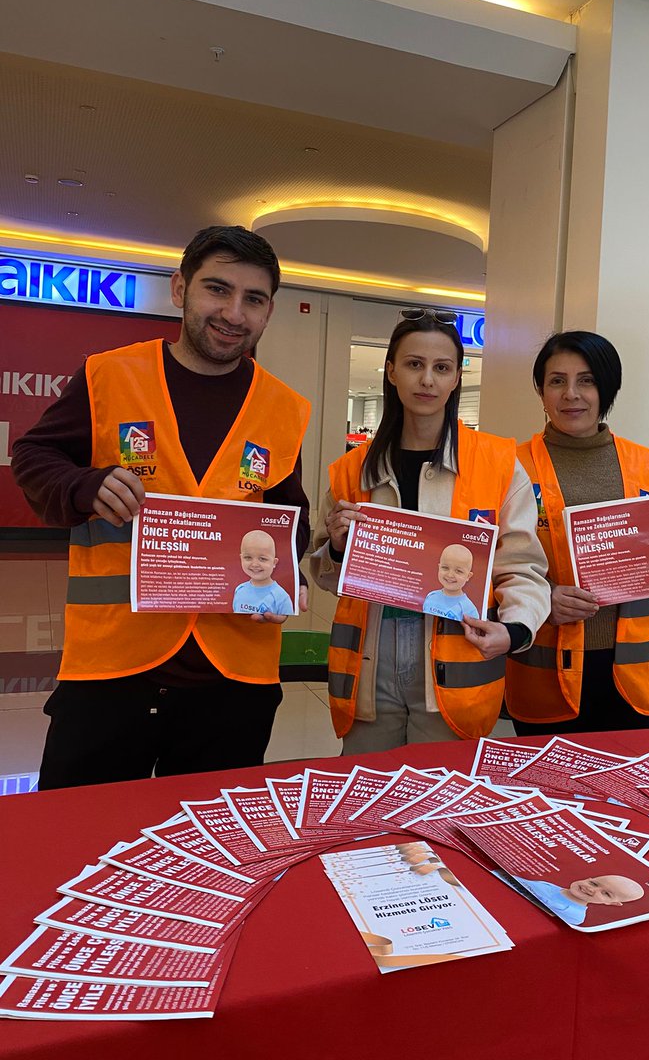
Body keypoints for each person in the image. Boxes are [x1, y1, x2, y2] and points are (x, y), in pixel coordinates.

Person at [11, 225, 311, 789]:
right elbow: (33, 454)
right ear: (180, 290)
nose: (233, 313)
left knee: (214, 847)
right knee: (79, 835)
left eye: (254, 299)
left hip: (234, 671)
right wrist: (84, 485)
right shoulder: (109, 376)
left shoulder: (284, 408)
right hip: (112, 664)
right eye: (217, 290)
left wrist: (287, 587)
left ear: (269, 312)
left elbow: (289, 516)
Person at [311, 308, 550, 753]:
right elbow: (322, 574)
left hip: (455, 665)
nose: (427, 380)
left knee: (443, 807)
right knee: (370, 800)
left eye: (441, 368)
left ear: (457, 378)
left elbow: (522, 566)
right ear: (391, 372)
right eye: (414, 364)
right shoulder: (352, 469)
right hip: (370, 665)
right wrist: (339, 549)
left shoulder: (496, 464)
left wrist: (515, 630)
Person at [505, 331, 649, 735]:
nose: (572, 394)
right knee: (549, 793)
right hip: (546, 671)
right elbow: (489, 565)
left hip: (635, 674)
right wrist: (541, 598)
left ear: (608, 388)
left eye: (587, 380)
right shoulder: (510, 468)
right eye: (557, 381)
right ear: (540, 389)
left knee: (629, 795)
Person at [514, 872, 644, 925]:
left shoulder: (574, 914)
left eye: (606, 894)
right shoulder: (552, 887)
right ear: (588, 879)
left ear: (612, 903)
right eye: (594, 883)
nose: (591, 889)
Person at [232, 529, 294, 616]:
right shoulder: (239, 590)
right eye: (248, 557)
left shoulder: (281, 597)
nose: (255, 564)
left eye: (262, 559)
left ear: (274, 563)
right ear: (241, 558)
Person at [422, 544, 480, 621]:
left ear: (468, 576)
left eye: (458, 571)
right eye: (445, 568)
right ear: (439, 567)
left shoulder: (469, 609)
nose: (450, 575)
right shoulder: (431, 596)